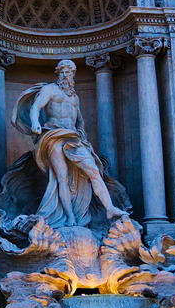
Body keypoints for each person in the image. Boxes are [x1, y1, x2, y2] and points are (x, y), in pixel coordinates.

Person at [17, 59, 126, 229]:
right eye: (63, 72)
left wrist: (82, 134)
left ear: (73, 75)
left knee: (94, 171)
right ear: (58, 73)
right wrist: (35, 123)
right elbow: (35, 108)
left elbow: (80, 120)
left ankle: (110, 208)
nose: (66, 75)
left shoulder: (74, 97)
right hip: (53, 135)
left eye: (69, 72)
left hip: (74, 138)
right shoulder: (49, 89)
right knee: (62, 177)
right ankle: (70, 218)